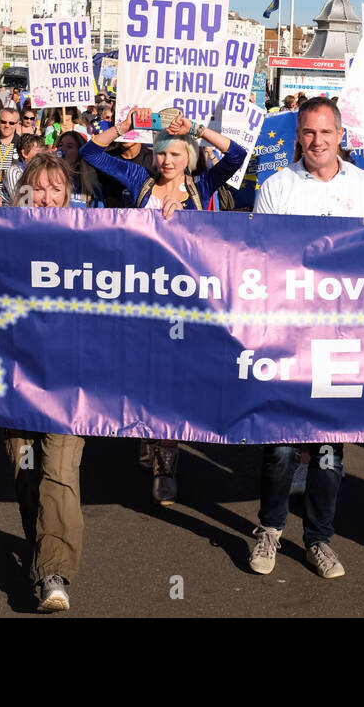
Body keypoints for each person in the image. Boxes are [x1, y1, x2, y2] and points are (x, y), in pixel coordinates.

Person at [247, 97, 364, 579]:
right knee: (282, 443)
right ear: (298, 136)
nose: (316, 141)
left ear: (340, 136)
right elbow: (257, 259)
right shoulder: (276, 187)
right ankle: (268, 529)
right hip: (288, 333)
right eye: (308, 133)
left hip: (343, 337)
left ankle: (319, 539)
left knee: (330, 446)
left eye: (325, 133)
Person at [82, 107, 248, 502]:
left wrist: (196, 130)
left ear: (187, 156)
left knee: (173, 382)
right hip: (142, 298)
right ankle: (148, 436)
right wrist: (124, 127)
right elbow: (90, 154)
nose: (167, 161)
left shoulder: (200, 187)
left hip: (187, 302)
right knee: (144, 377)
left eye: (175, 154)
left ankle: (165, 464)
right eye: (161, 153)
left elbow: (239, 156)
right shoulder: (141, 180)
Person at [0, 153, 87, 611]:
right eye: (37, 187)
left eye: (55, 188)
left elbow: (139, 250)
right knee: (26, 474)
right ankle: (43, 550)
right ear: (22, 191)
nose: (45, 197)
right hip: (14, 381)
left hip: (69, 383)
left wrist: (166, 219)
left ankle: (54, 573)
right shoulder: (4, 231)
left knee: (59, 474)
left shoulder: (89, 235)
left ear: (68, 193)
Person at [54, 130, 104, 207]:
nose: (62, 149)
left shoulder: (91, 186)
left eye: (69, 146)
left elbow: (99, 216)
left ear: (80, 153)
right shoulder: (47, 179)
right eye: (60, 145)